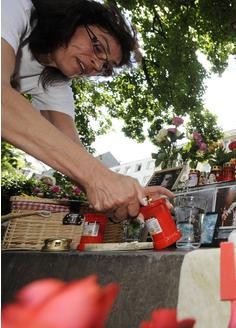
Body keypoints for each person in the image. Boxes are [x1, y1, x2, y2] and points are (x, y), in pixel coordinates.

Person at [2, 0, 172, 221]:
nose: (96, 65)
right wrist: (96, 176)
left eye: (105, 67)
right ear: (74, 19)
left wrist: (128, 192)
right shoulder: (14, 6)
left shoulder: (56, 82)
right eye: (98, 47)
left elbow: (72, 151)